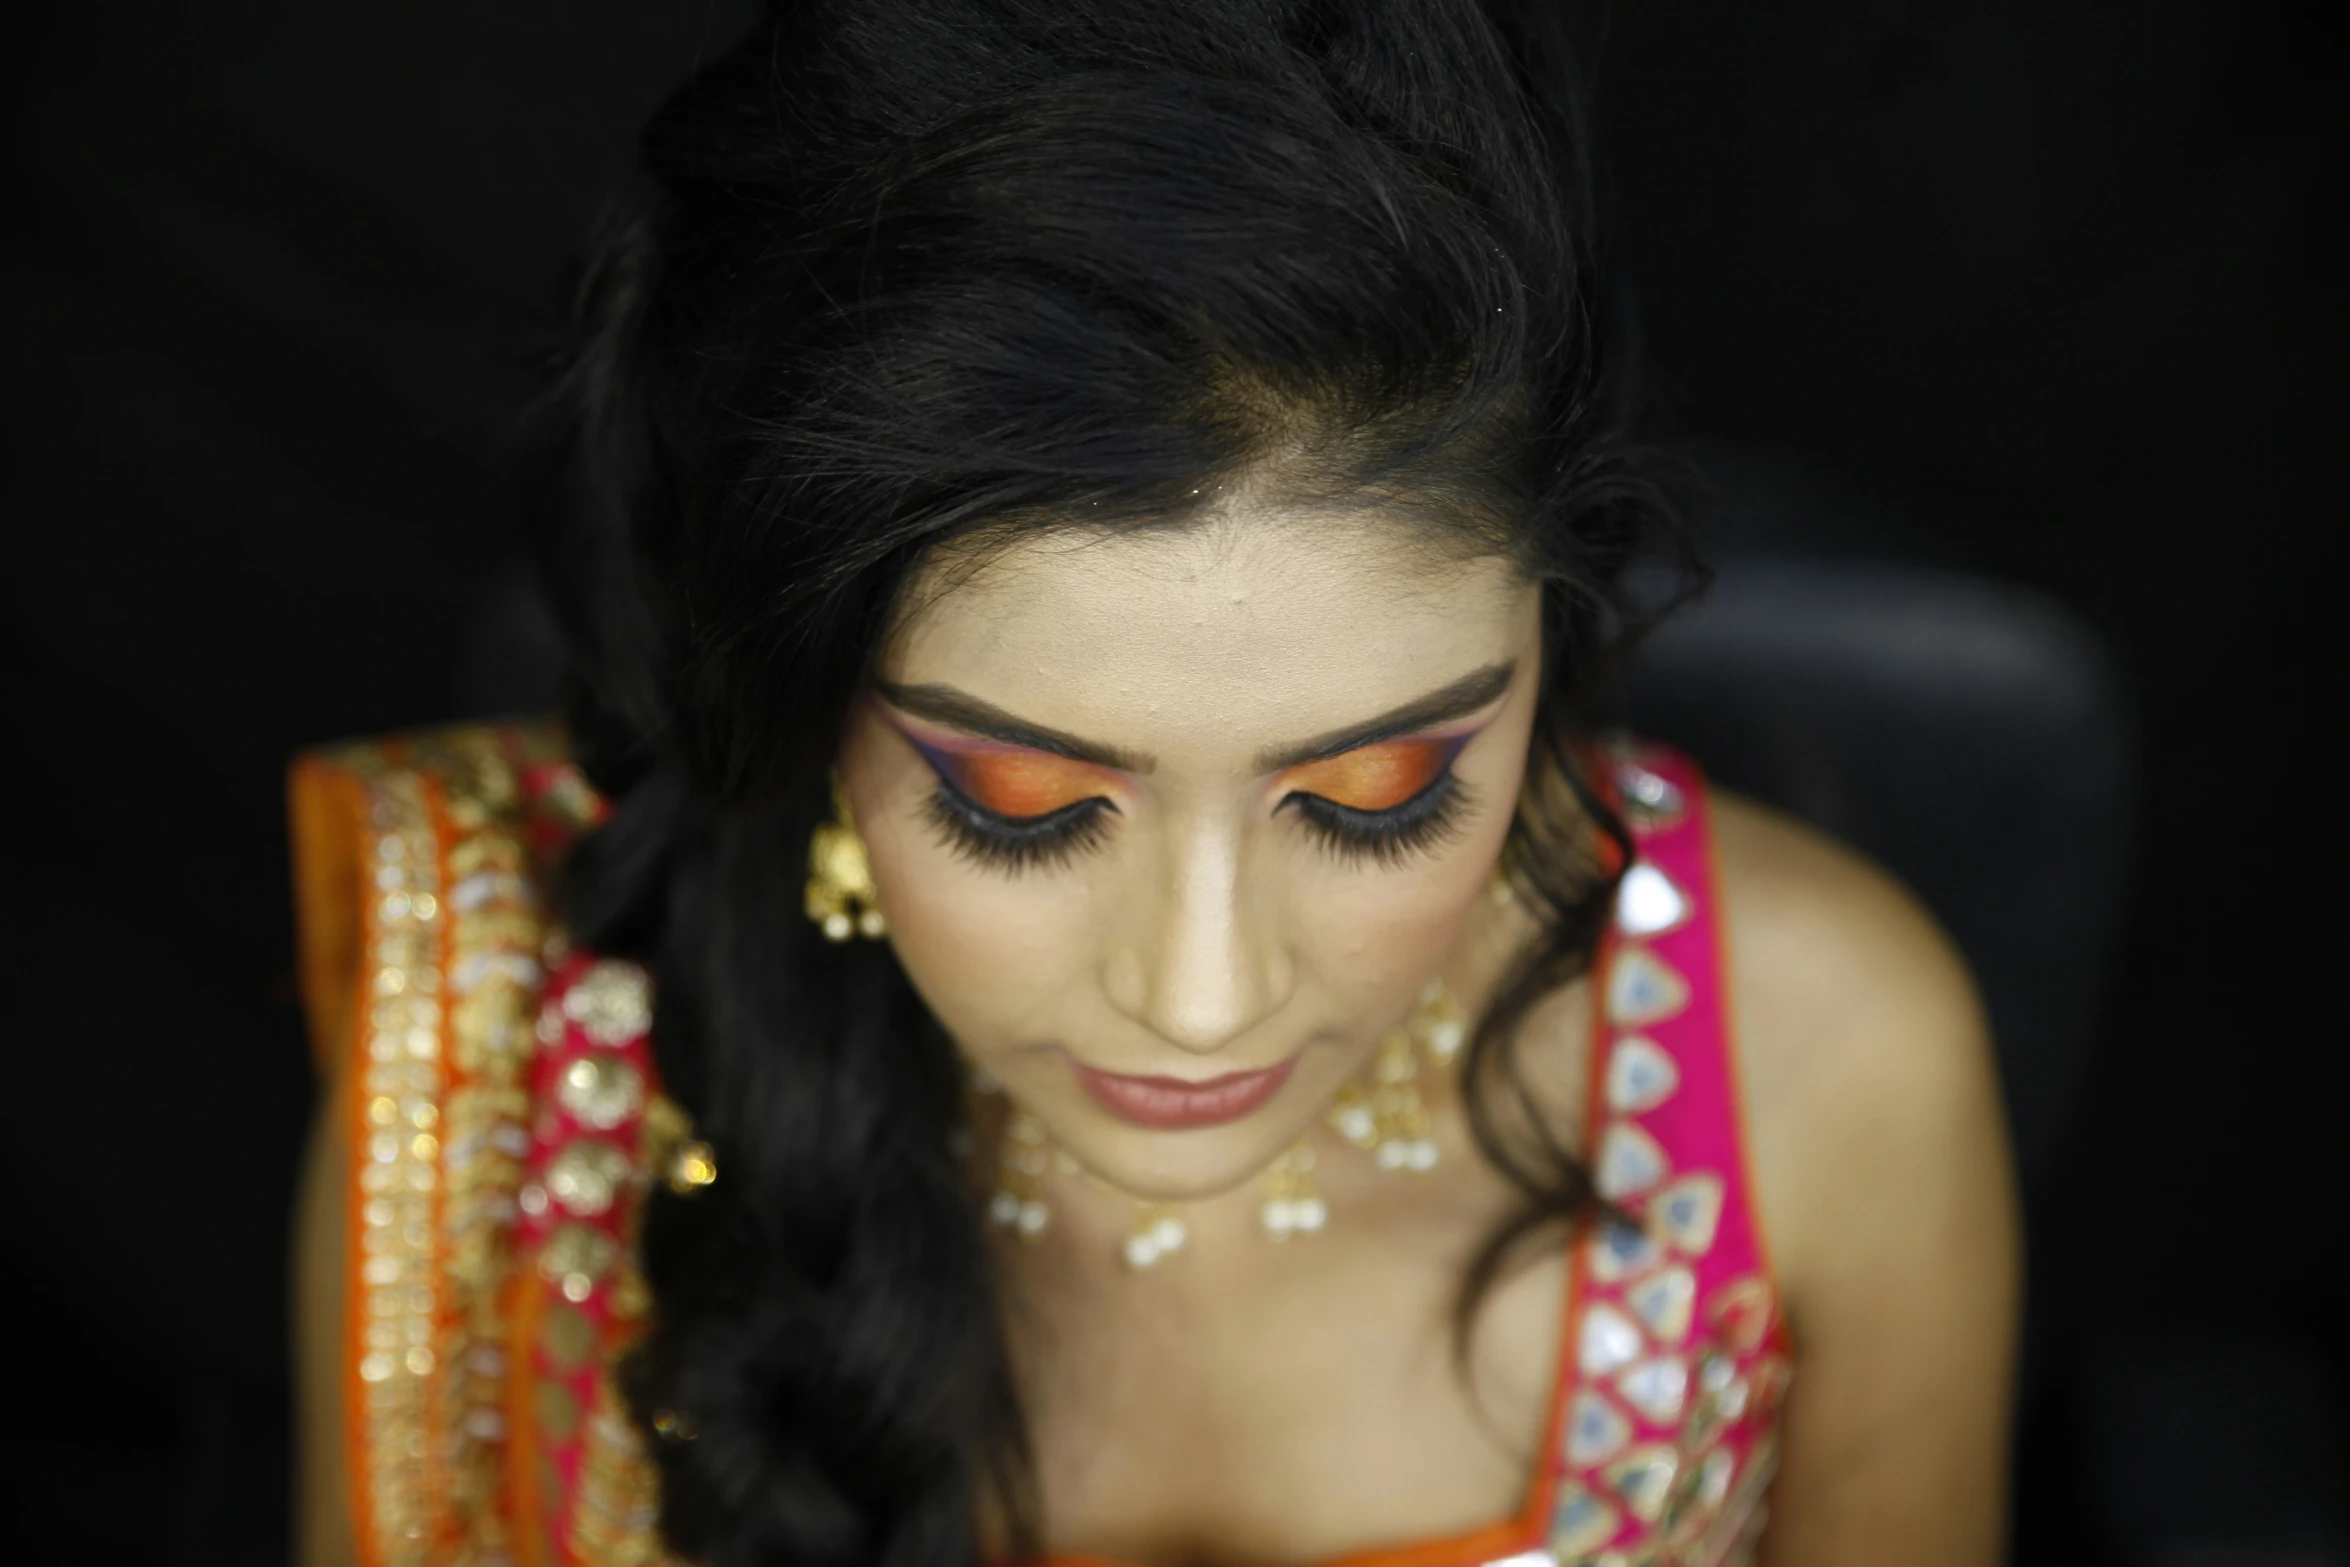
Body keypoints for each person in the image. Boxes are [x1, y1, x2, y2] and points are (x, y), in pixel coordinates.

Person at [289, 2, 2018, 1562]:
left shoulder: (1815, 1063)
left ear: (1549, 657)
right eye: (1021, 806)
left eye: (1381, 789)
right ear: (810, 699)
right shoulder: (510, 1039)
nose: (1204, 1000)